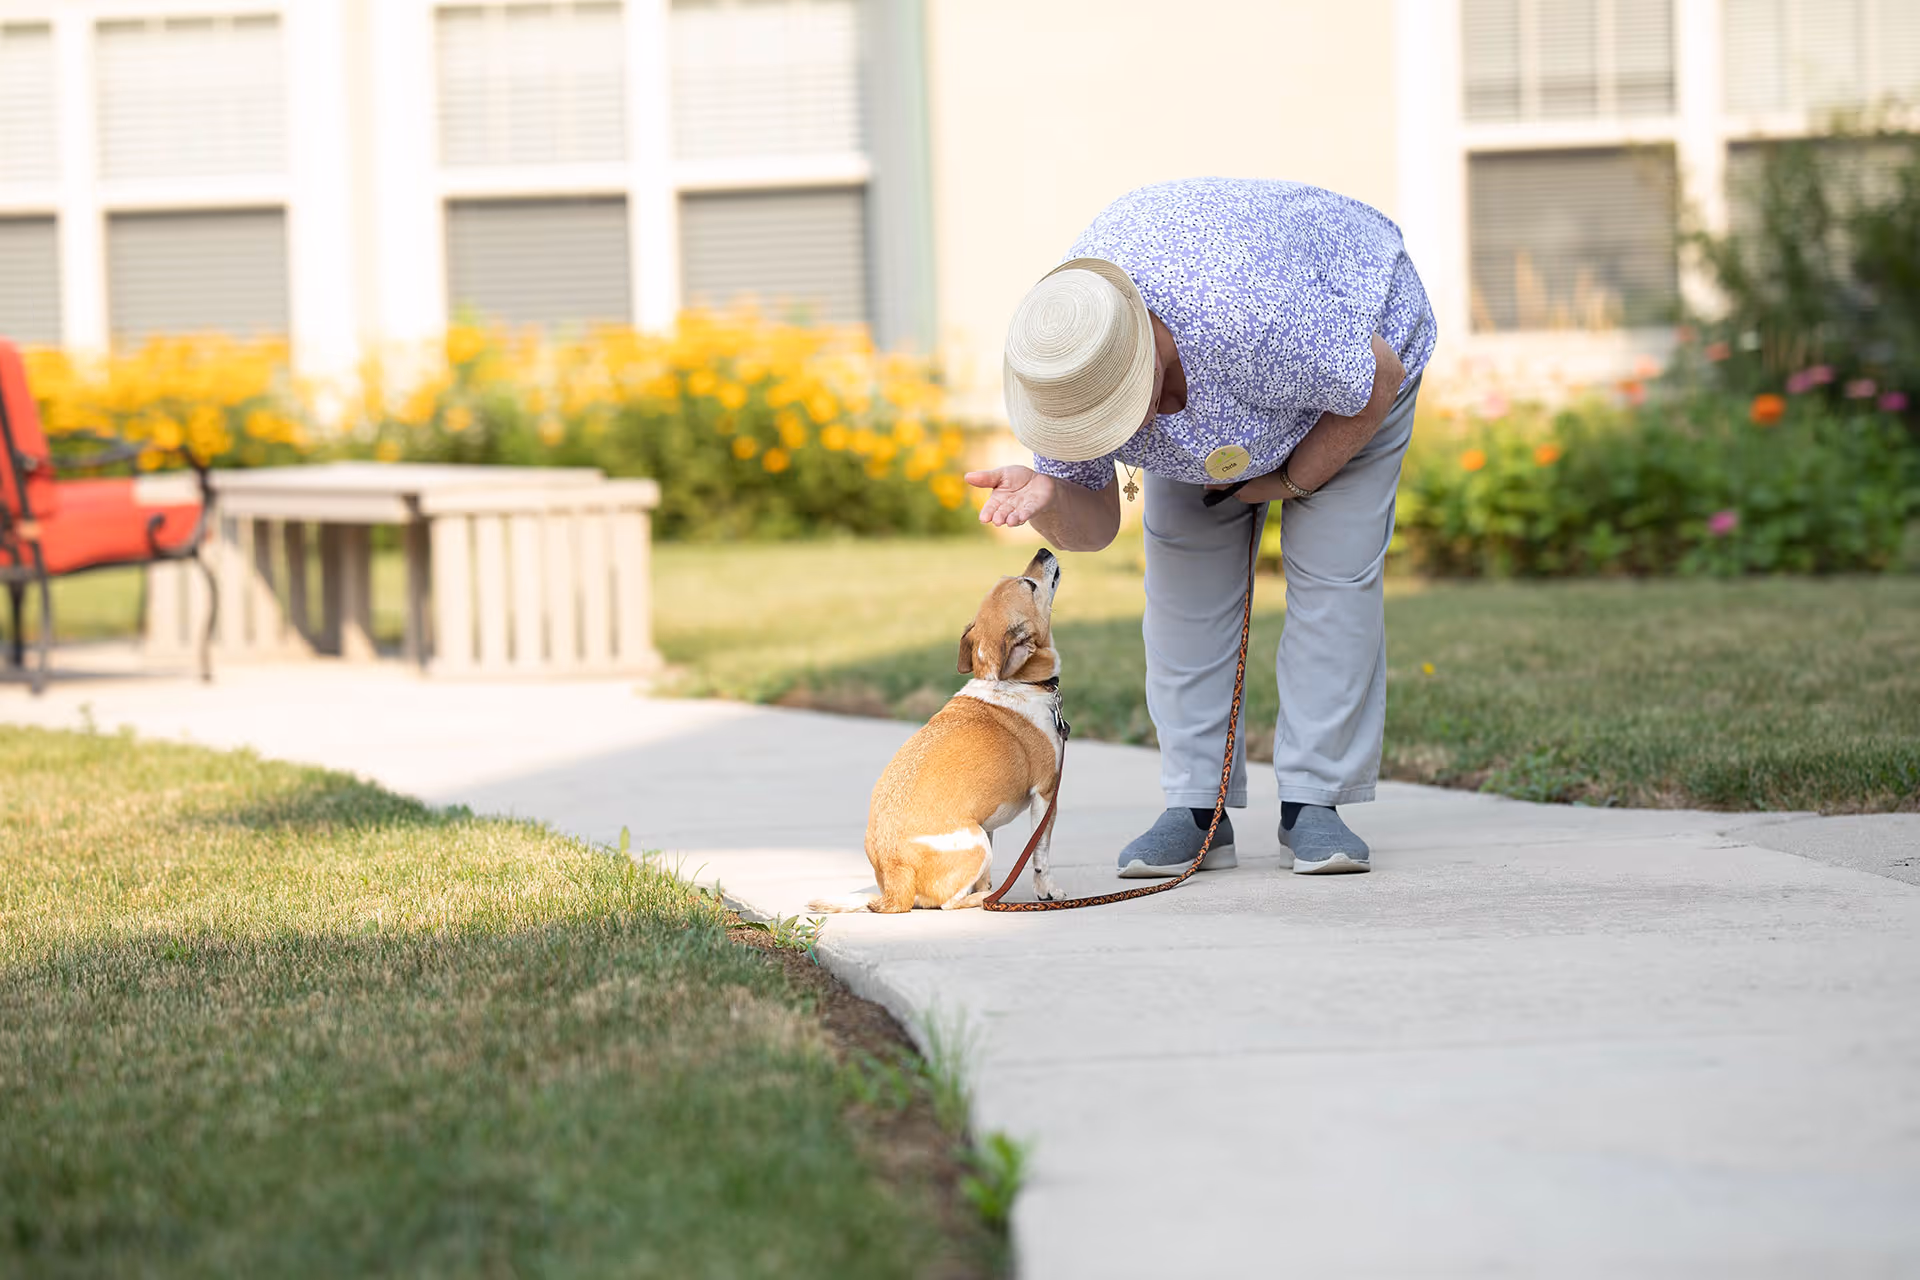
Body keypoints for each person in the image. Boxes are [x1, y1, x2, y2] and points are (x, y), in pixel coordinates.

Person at [964, 177, 1435, 877]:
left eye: (1123, 408)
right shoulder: (1068, 365)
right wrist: (1051, 493)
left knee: (1332, 570)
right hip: (1240, 383)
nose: (1121, 432)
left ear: (1149, 348)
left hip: (1357, 362)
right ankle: (1196, 808)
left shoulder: (1249, 315)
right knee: (1184, 588)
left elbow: (1376, 377)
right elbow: (1093, 528)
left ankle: (1315, 804)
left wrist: (1289, 481)